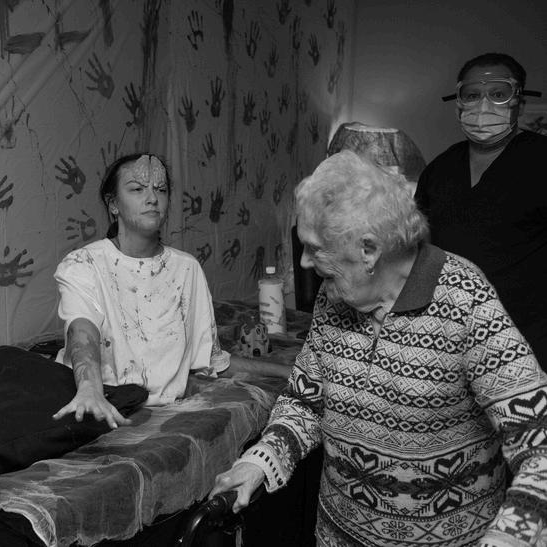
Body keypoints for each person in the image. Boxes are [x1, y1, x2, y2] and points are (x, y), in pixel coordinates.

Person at [211, 150, 547, 546]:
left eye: (314, 248)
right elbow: (305, 402)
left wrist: (509, 539)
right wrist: (260, 460)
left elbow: (539, 445)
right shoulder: (334, 297)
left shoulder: (465, 299)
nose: (303, 262)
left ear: (369, 250)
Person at [52, 153, 292, 428]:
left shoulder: (187, 269)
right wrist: (90, 389)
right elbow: (82, 331)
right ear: (114, 204)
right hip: (92, 400)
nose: (152, 198)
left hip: (154, 409)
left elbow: (211, 360)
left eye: (161, 189)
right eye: (137, 189)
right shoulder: (83, 263)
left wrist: (287, 370)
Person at [415, 52, 547, 368]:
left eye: (498, 94)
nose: (483, 105)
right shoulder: (441, 168)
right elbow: (420, 249)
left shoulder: (541, 159)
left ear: (519, 104)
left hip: (527, 340)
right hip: (448, 338)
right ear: (459, 104)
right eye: (472, 95)